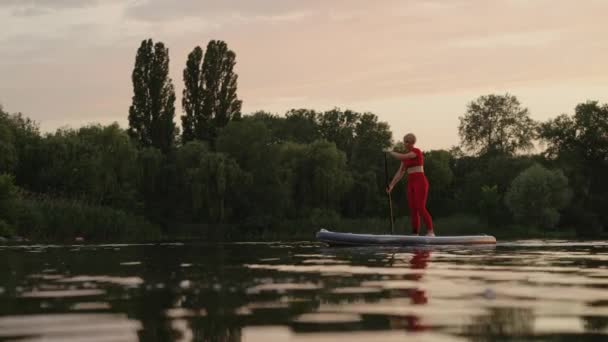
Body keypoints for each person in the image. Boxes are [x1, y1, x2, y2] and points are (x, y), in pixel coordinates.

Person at [385, 133, 434, 236]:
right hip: (411, 183)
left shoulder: (416, 152)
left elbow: (401, 156)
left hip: (420, 182)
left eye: (407, 141)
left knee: (420, 207)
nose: (405, 143)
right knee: (413, 208)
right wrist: (391, 185)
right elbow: (400, 173)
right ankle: (415, 233)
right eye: (404, 141)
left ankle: (430, 231)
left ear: (412, 142)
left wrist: (390, 152)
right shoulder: (405, 158)